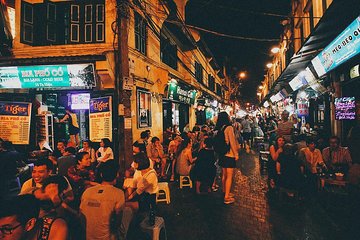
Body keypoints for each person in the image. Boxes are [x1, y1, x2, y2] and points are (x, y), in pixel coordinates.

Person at [80, 162, 125, 240]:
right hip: (107, 237)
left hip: (87, 236)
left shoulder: (87, 192)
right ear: (117, 175)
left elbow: (81, 216)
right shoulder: (118, 193)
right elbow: (118, 221)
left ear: (101, 175)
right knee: (128, 211)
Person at [216, 112, 239, 204]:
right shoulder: (229, 128)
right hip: (229, 154)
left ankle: (225, 191)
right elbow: (232, 142)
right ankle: (226, 197)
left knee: (224, 175)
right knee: (229, 176)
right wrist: (236, 154)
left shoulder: (220, 128)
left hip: (222, 154)